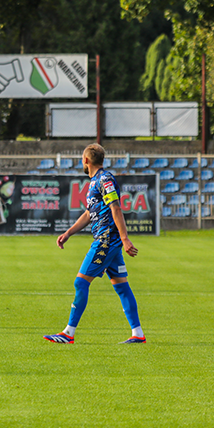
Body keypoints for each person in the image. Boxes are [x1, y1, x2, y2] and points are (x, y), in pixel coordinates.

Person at [44, 143, 145, 345]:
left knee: (81, 283)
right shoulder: (94, 182)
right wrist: (68, 233)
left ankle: (68, 333)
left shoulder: (105, 179)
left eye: (82, 159)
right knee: (122, 287)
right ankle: (138, 334)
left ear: (87, 160)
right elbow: (90, 213)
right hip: (110, 242)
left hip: (106, 240)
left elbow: (116, 208)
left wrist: (124, 238)